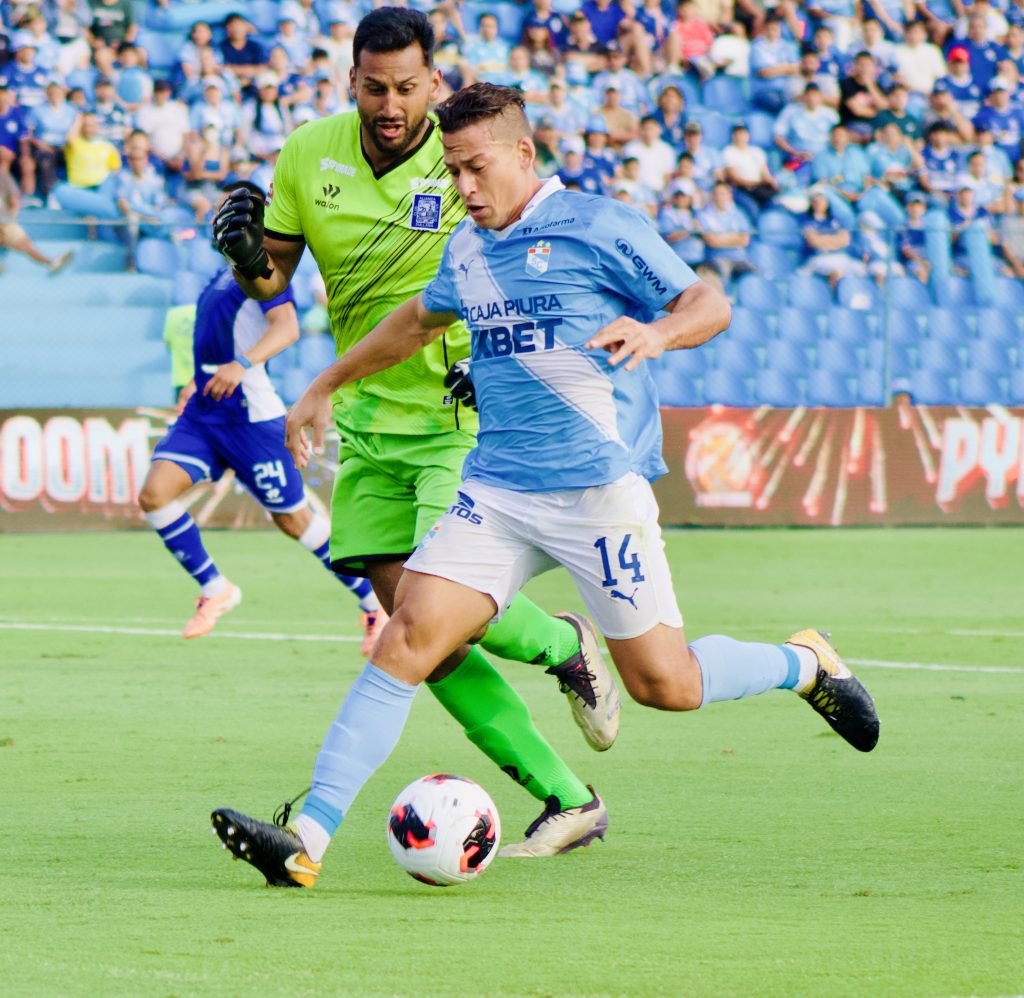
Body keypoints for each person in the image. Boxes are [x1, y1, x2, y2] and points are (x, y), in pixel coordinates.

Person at [210, 83, 880, 890]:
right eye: (452, 170)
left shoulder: (599, 225)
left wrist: (658, 330)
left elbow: (709, 302)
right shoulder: (467, 247)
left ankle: (803, 663)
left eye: (476, 167)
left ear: (524, 154)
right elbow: (414, 324)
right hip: (496, 491)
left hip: (598, 495)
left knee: (667, 684)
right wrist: (324, 383)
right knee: (409, 635)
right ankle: (306, 838)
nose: (463, 186)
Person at [209, 9, 620, 866]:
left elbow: (538, 256)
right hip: (365, 424)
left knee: (442, 620)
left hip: (462, 422)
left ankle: (563, 644)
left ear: (435, 83)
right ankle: (569, 794)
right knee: (422, 641)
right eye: (374, 87)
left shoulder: (467, 157)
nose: (390, 104)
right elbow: (272, 279)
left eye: (406, 87)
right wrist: (248, 254)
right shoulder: (307, 154)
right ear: (350, 81)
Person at [138, 182, 385, 650]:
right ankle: (216, 589)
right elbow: (217, 337)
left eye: (228, 207)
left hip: (252, 421)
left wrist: (242, 364)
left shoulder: (261, 269)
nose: (219, 215)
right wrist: (200, 376)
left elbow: (288, 327)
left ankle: (373, 603)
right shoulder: (219, 273)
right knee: (154, 494)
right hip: (204, 415)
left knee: (294, 522)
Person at [0, 168, 72, 274]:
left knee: (25, 245)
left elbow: (14, 202)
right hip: (6, 222)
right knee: (26, 246)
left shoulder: (3, 177)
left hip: (5, 222)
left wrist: (10, 218)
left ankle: (51, 263)